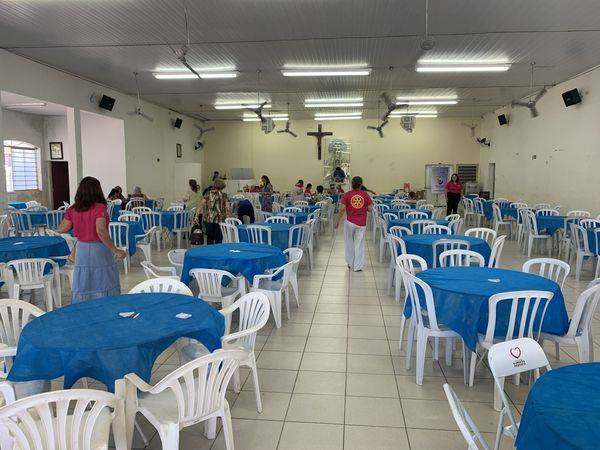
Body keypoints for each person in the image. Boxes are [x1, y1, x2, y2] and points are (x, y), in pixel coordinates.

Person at [58, 177, 126, 303]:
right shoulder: (100, 208)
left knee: (84, 281)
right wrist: (115, 250)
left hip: (81, 249)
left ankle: (84, 308)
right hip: (99, 249)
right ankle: (105, 306)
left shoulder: (73, 209)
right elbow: (101, 230)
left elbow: (62, 228)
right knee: (104, 280)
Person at [335, 176, 373, 272]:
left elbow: (342, 209)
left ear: (351, 184)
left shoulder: (347, 195)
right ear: (361, 184)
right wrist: (363, 207)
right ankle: (357, 267)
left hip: (350, 222)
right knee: (359, 244)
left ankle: (350, 263)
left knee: (349, 243)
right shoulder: (365, 195)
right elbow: (370, 209)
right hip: (361, 223)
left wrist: (337, 221)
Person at [197, 178, 229, 245]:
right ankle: (217, 250)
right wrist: (228, 217)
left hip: (208, 219)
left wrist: (196, 215)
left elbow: (201, 205)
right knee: (218, 238)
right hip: (220, 219)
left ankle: (210, 250)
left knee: (210, 238)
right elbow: (227, 208)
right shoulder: (224, 195)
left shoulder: (208, 194)